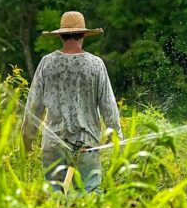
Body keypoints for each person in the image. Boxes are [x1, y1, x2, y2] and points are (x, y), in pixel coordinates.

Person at [22, 11, 123, 192]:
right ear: (83, 35)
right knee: (89, 196)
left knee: (55, 198)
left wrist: (27, 140)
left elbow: (33, 107)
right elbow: (109, 107)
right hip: (86, 145)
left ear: (60, 35)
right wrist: (115, 138)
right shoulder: (95, 64)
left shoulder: (47, 63)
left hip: (54, 144)